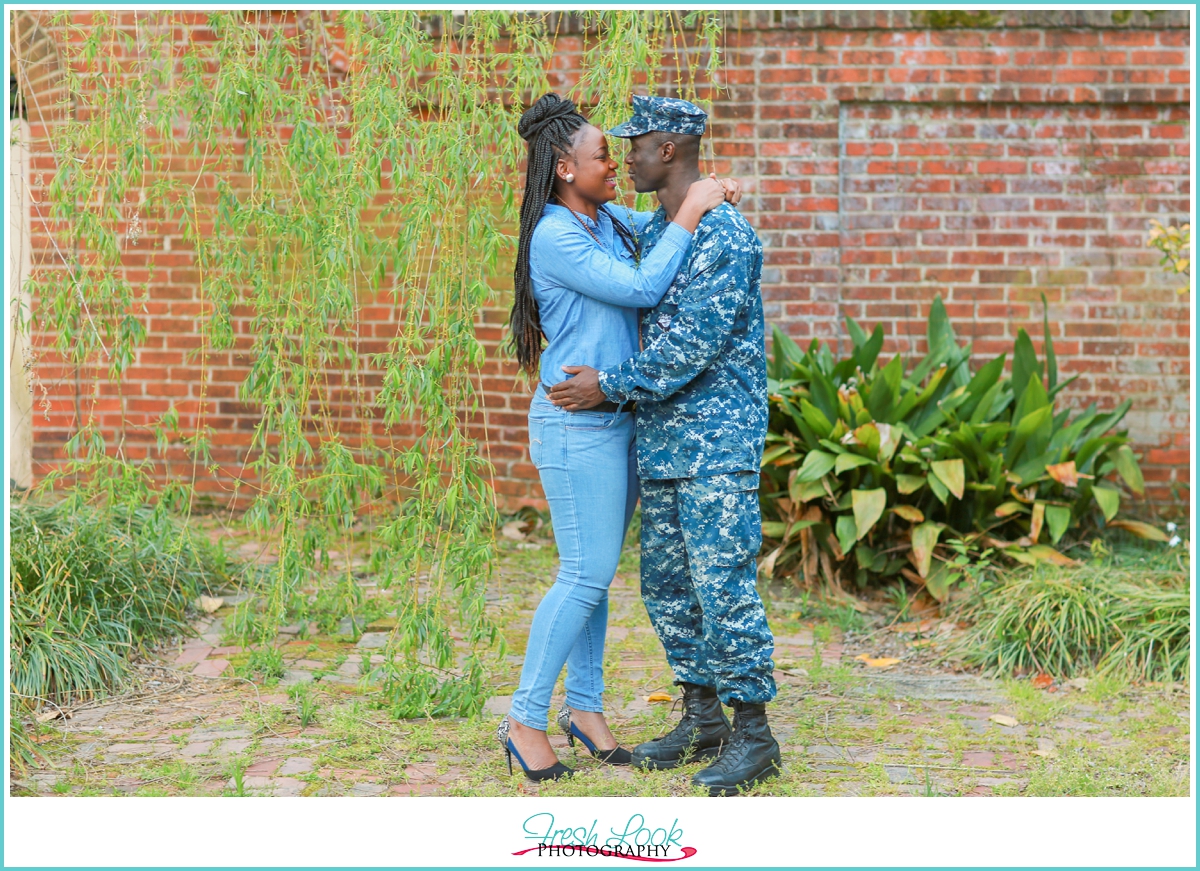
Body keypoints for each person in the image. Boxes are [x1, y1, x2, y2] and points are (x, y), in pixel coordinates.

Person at [496, 93, 740, 782]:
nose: (613, 163)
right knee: (582, 574)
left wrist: (705, 192)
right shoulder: (556, 234)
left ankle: (587, 710)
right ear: (566, 169)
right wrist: (694, 212)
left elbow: (659, 222)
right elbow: (640, 286)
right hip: (576, 427)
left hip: (614, 419)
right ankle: (523, 718)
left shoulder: (603, 220)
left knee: (594, 577)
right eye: (603, 154)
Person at [546, 94, 782, 796]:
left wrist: (607, 386)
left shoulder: (726, 237)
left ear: (668, 150)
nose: (625, 158)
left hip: (716, 446)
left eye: (635, 145)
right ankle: (702, 718)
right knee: (672, 589)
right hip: (665, 445)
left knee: (724, 587)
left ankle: (754, 735)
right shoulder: (656, 230)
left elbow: (689, 348)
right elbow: (591, 211)